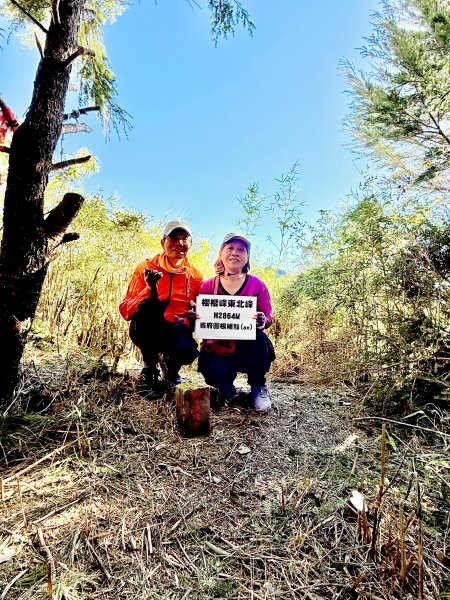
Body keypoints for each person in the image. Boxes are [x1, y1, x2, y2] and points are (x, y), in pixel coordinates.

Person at [119, 220, 203, 396]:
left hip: (177, 330)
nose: (179, 243)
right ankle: (149, 368)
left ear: (191, 244)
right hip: (150, 329)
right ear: (162, 242)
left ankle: (172, 372)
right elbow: (126, 309)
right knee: (148, 307)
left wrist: (189, 319)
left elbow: (202, 311)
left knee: (186, 347)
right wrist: (149, 290)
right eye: (173, 237)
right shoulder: (145, 268)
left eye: (184, 238)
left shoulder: (196, 276)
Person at [197, 233, 275, 412]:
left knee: (260, 338)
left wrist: (263, 321)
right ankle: (226, 388)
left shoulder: (257, 284)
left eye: (241, 250)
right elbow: (201, 319)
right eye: (230, 248)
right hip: (218, 346)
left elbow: (269, 316)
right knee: (215, 374)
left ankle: (258, 387)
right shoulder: (208, 286)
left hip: (247, 346)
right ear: (221, 252)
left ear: (247, 256)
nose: (235, 253)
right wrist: (196, 318)